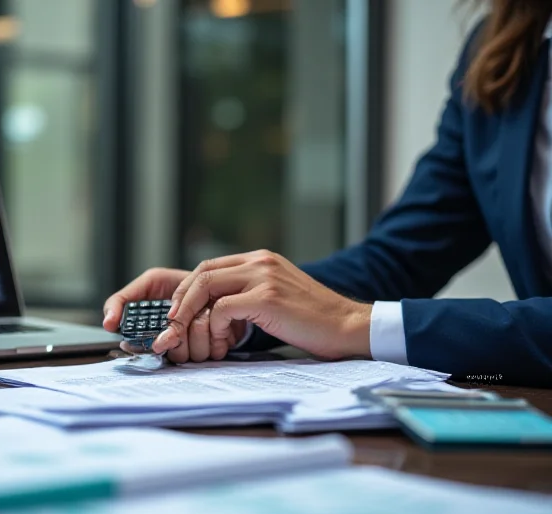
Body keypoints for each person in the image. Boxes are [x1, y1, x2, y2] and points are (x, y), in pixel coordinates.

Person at [103, 0, 552, 387]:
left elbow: (351, 311)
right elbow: (398, 259)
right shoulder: (502, 55)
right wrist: (240, 306)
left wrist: (351, 323)